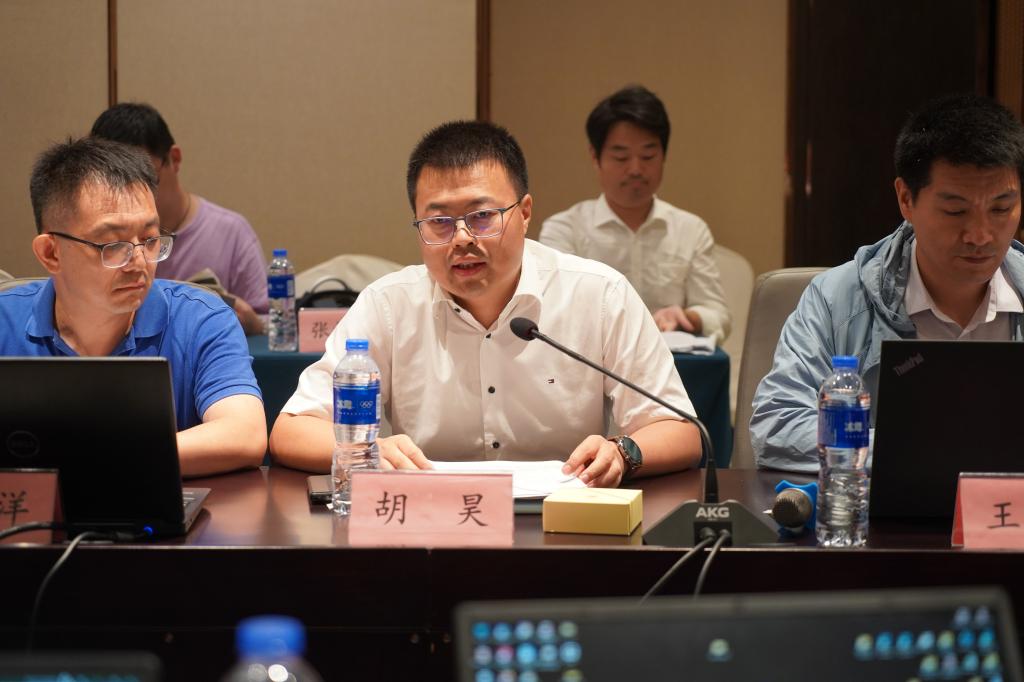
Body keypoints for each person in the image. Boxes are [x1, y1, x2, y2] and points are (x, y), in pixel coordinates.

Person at [270, 121, 702, 486]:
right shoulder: (388, 305)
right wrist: (365, 450)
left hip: (564, 521)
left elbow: (681, 431)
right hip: (429, 526)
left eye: (481, 217)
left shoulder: (599, 294)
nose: (462, 239)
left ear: (525, 213)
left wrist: (623, 451)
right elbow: (292, 430)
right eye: (439, 222)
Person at [751, 93, 1024, 472]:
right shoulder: (838, 300)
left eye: (1000, 208)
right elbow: (777, 425)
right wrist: (916, 450)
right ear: (906, 199)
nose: (980, 234)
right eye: (955, 210)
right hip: (876, 508)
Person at [0, 137, 267, 476]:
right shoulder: (5, 320)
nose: (139, 262)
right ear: (51, 253)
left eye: (150, 239)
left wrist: (85, 455)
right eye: (113, 244)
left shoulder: (201, 318)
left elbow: (245, 435)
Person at [539, 85, 731, 343]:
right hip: (592, 361)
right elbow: (552, 311)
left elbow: (718, 314)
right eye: (621, 158)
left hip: (673, 360)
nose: (636, 169)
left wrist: (688, 317)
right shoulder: (565, 230)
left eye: (648, 156)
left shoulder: (690, 229)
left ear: (664, 156)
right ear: (595, 157)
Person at [91, 103, 269, 334]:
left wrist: (249, 322)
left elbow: (267, 325)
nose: (132, 194)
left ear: (174, 159)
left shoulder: (230, 231)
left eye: (145, 178)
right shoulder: (95, 238)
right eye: (115, 184)